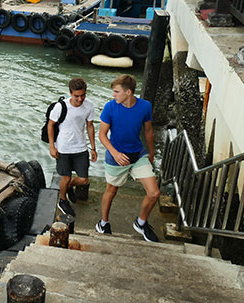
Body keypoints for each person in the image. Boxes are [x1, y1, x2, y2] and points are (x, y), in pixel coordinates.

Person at [96, 74, 160, 242]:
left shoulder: (145, 106)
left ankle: (141, 222)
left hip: (138, 155)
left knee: (154, 193)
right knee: (111, 190)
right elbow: (102, 135)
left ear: (129, 92)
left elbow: (148, 131)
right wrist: (115, 153)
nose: (113, 95)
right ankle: (103, 223)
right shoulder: (110, 107)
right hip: (115, 157)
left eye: (117, 92)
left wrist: (151, 152)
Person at [47, 77, 97, 217]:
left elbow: (90, 126)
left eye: (83, 95)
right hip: (63, 148)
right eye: (76, 96)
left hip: (81, 148)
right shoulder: (60, 107)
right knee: (66, 177)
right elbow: (50, 125)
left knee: (83, 179)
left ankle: (68, 188)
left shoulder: (89, 106)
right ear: (70, 93)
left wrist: (93, 148)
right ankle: (62, 200)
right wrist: (52, 146)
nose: (80, 99)